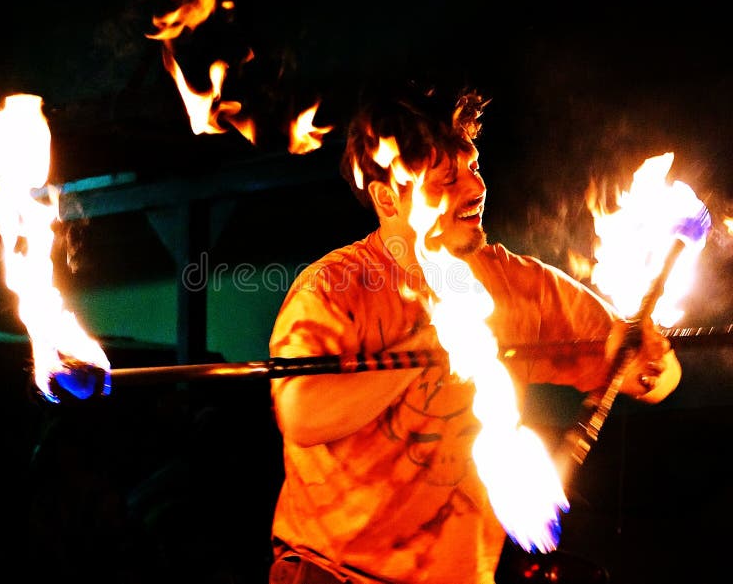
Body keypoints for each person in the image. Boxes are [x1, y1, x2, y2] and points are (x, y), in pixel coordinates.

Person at [266, 81, 681, 584]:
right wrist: (427, 347)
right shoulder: (333, 288)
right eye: (445, 179)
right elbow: (303, 414)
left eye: (474, 167)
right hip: (336, 574)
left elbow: (650, 378)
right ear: (386, 197)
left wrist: (648, 357)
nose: (475, 188)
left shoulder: (517, 284)